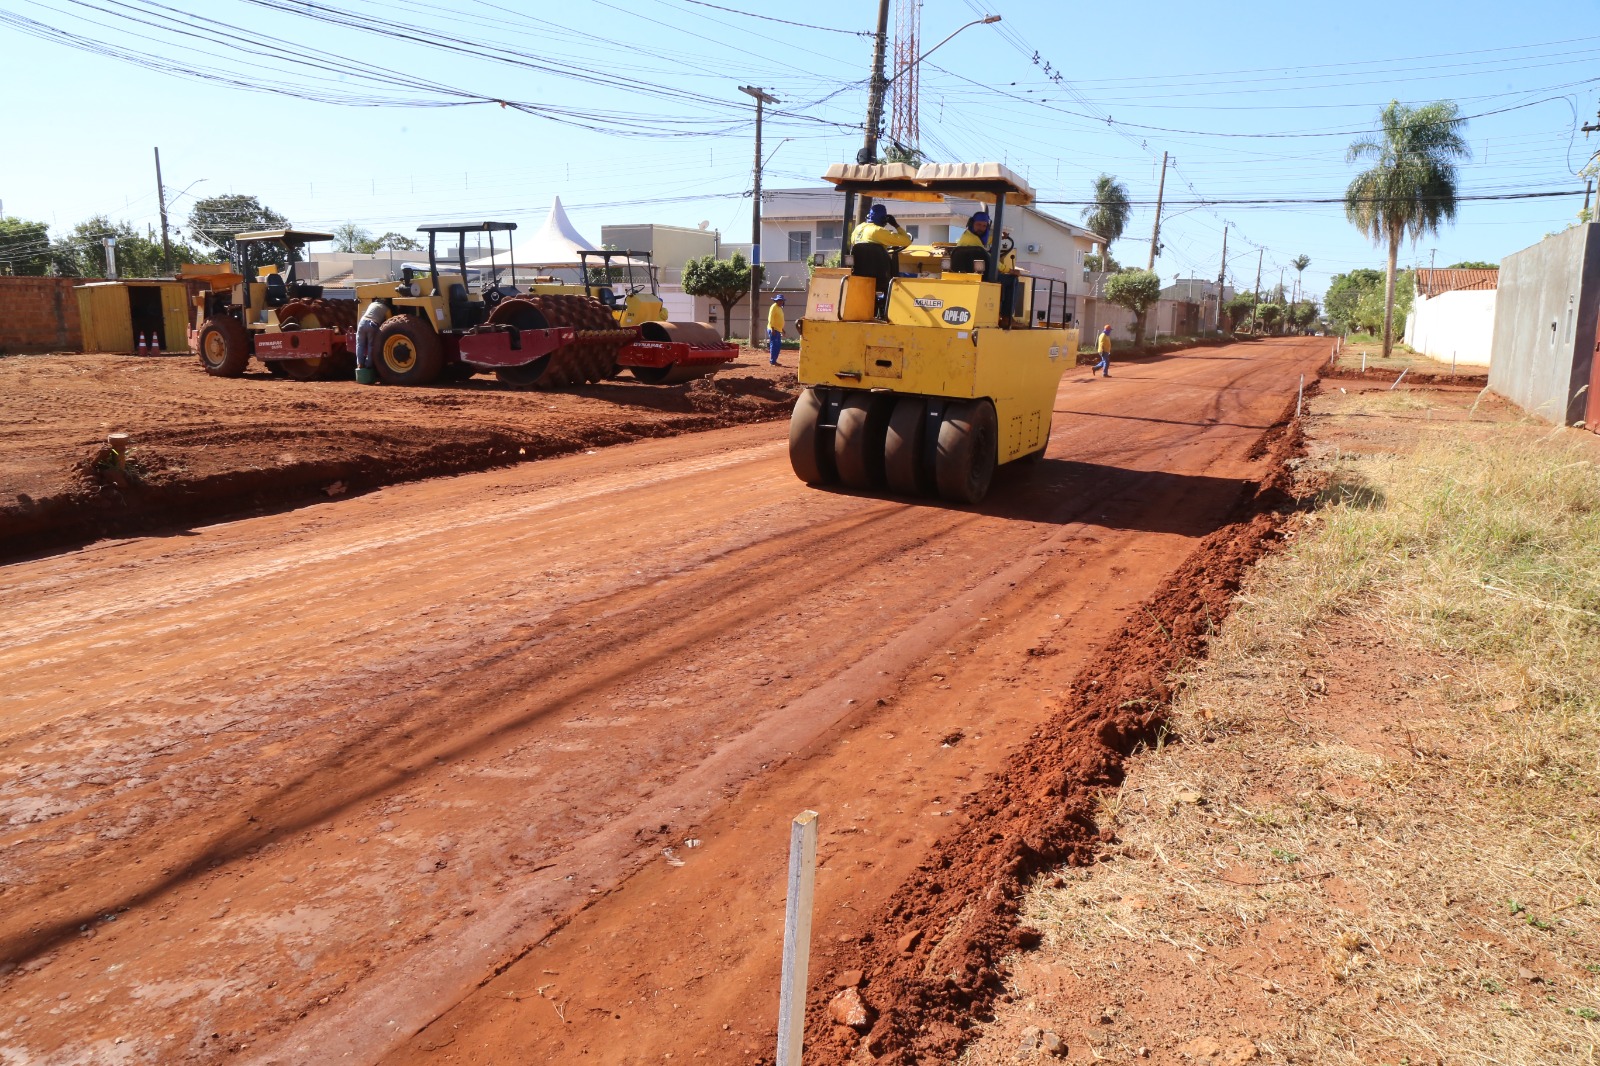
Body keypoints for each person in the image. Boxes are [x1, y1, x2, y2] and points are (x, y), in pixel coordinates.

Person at [354, 298, 391, 385]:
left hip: (362, 323)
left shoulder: (372, 304)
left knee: (360, 344)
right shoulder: (387, 309)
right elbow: (389, 321)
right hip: (373, 324)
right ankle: (369, 365)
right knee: (371, 345)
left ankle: (360, 364)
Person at [767, 294, 786, 366]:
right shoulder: (773, 307)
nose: (781, 302)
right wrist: (772, 329)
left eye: (782, 300)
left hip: (778, 329)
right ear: (776, 300)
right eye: (779, 300)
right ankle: (772, 361)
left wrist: (782, 329)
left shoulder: (779, 308)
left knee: (777, 345)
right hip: (773, 329)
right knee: (774, 345)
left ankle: (774, 360)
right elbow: (771, 318)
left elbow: (779, 319)